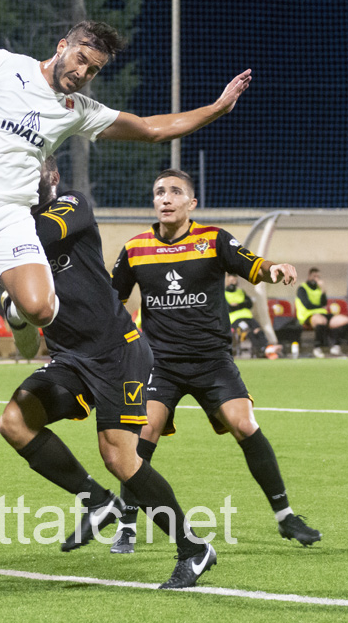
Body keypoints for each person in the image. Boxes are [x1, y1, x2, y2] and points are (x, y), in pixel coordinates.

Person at [0, 0, 252, 416]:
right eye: (80, 59)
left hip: (10, 214)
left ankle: (15, 308)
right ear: (61, 46)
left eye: (94, 69)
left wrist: (217, 109)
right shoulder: (2, 65)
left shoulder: (77, 110)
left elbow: (150, 130)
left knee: (40, 309)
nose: (83, 73)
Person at [0, 157, 216, 588]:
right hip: (69, 357)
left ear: (52, 176)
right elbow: (24, 340)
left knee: (119, 457)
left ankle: (193, 548)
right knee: (14, 422)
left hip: (118, 350)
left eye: (32, 169)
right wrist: (15, 312)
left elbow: (36, 237)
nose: (24, 177)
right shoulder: (10, 235)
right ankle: (98, 502)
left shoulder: (71, 205)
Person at [110, 169, 322, 547]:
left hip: (212, 360)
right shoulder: (135, 248)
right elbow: (112, 300)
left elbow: (251, 265)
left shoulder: (213, 240)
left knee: (245, 425)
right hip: (160, 362)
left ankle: (286, 517)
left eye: (175, 192)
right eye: (160, 192)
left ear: (192, 203)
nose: (166, 198)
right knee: (144, 432)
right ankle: (127, 523)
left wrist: (275, 270)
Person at [295, 267, 348, 358]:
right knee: (321, 321)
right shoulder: (302, 288)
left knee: (345, 320)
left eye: (318, 277)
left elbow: (324, 303)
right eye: (314, 276)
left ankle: (336, 346)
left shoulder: (319, 289)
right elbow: (307, 305)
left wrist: (323, 290)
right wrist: (320, 307)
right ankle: (317, 347)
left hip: (323, 314)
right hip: (308, 315)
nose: (316, 278)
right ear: (309, 276)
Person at [225, 273, 269, 358]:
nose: (232, 282)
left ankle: (266, 348)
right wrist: (242, 304)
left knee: (258, 330)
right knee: (248, 331)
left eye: (234, 280)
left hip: (248, 317)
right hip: (236, 319)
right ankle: (259, 351)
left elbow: (249, 304)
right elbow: (228, 308)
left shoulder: (241, 291)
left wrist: (237, 305)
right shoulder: (223, 293)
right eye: (231, 280)